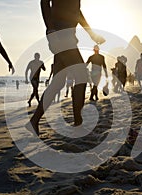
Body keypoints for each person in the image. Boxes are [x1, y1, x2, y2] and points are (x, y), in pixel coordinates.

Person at [28, 0, 105, 135]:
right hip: (60, 35)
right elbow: (45, 2)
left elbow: (77, 12)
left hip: (67, 35)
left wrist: (91, 33)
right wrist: (51, 29)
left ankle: (34, 121)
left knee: (58, 82)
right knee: (81, 77)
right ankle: (78, 124)